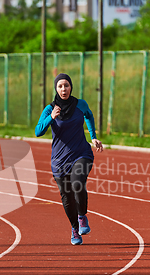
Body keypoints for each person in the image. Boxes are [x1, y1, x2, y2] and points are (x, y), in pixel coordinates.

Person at [35, 73, 104, 245]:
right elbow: (38, 131)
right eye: (60, 86)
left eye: (66, 85)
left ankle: (82, 216)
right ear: (56, 89)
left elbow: (89, 115)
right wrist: (51, 118)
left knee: (77, 183)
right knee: (66, 196)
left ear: (71, 86)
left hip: (81, 153)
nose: (63, 89)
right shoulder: (50, 109)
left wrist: (93, 136)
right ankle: (75, 228)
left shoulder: (80, 104)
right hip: (59, 161)